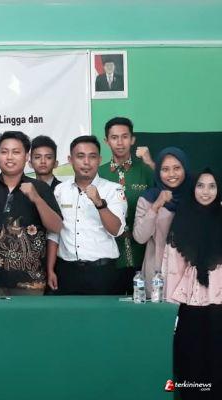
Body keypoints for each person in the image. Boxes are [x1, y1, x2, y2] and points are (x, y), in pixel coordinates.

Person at [0, 131, 63, 296]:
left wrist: (36, 199)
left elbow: (57, 227)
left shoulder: (41, 188)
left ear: (26, 157)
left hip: (30, 283)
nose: (9, 157)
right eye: (4, 152)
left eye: (16, 152)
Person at [163, 169, 222, 399]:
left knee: (217, 356)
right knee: (191, 356)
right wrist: (170, 307)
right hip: (189, 302)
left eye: (212, 186)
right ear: (193, 189)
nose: (206, 191)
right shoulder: (183, 218)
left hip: (219, 302)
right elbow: (172, 265)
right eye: (200, 185)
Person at [47, 135, 127, 295]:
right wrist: (50, 269)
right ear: (70, 160)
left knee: (103, 312)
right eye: (80, 156)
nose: (86, 162)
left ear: (99, 160)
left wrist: (99, 203)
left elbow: (116, 230)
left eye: (92, 156)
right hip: (67, 271)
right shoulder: (60, 190)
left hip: (102, 272)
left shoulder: (113, 189)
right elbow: (54, 233)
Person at [98, 117, 154, 294]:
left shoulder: (146, 170)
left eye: (124, 137)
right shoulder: (99, 173)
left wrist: (150, 163)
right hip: (109, 253)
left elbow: (165, 196)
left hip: (143, 252)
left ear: (132, 139)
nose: (120, 142)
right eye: (114, 137)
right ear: (106, 141)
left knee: (143, 304)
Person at [133, 147, 190, 298]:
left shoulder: (195, 197)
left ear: (185, 169)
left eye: (177, 168)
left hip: (189, 278)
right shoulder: (148, 198)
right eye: (165, 169)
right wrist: (156, 206)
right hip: (157, 278)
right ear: (158, 172)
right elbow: (140, 237)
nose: (171, 174)